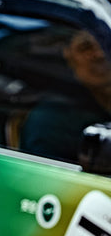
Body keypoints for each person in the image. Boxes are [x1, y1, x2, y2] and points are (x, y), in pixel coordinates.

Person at [21, 29, 111, 162]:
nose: (99, 54)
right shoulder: (52, 120)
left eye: (107, 44)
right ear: (68, 56)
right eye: (86, 47)